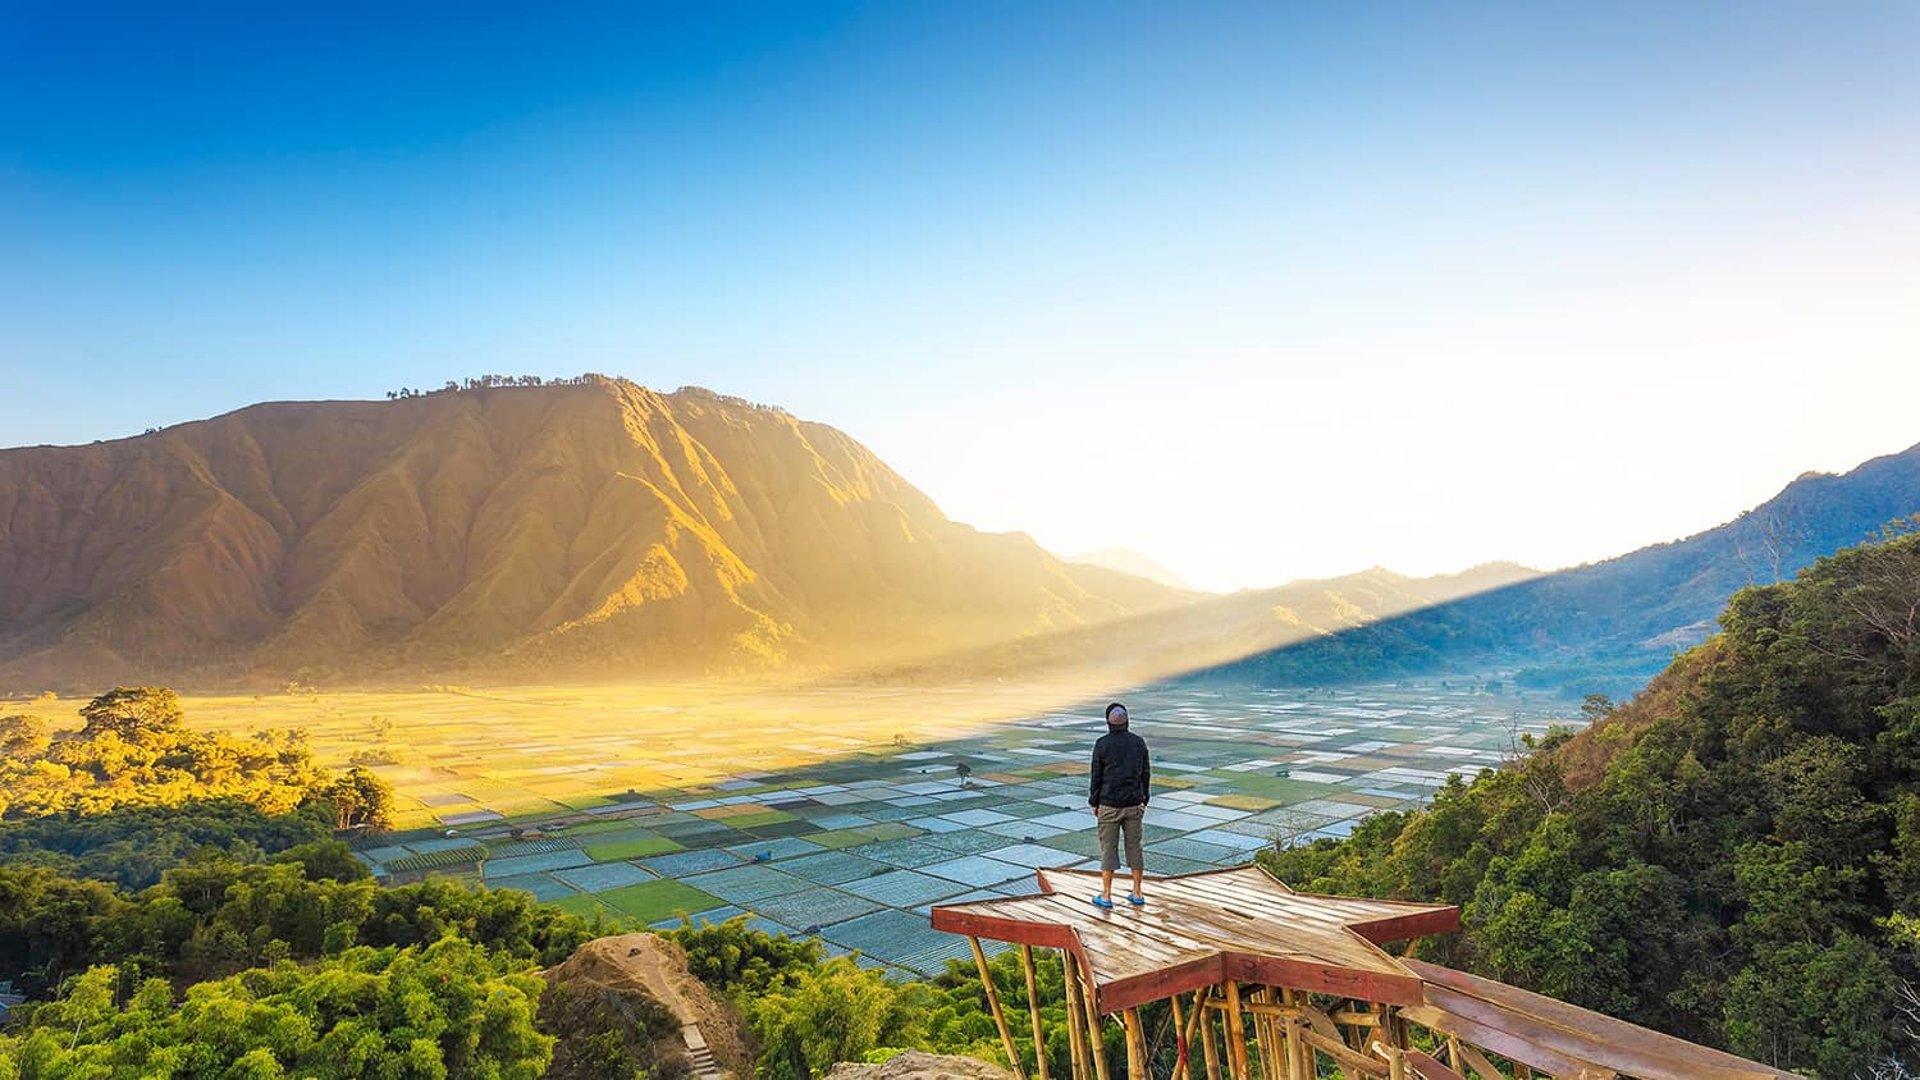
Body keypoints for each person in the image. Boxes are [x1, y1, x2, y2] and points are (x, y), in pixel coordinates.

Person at [1089, 701, 1150, 908]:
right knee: (1135, 847)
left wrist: (1094, 801)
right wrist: (1144, 798)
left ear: (1108, 722)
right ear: (1127, 721)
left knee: (1108, 848)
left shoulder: (1102, 744)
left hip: (1109, 804)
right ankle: (1137, 892)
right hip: (1134, 803)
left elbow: (1096, 776)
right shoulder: (1138, 742)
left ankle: (1106, 895)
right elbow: (1146, 773)